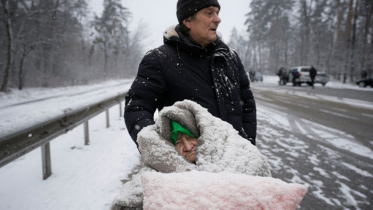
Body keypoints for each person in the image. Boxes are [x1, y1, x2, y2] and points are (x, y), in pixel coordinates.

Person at [124, 0, 257, 148]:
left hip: (235, 161)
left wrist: (247, 144)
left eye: (217, 13)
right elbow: (137, 107)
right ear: (188, 20)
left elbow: (247, 106)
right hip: (191, 167)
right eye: (209, 13)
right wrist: (163, 152)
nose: (218, 19)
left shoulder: (230, 58)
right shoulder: (159, 59)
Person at [111, 100, 271, 210]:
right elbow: (126, 202)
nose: (187, 147)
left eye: (190, 137)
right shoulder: (161, 169)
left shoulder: (234, 155)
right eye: (178, 142)